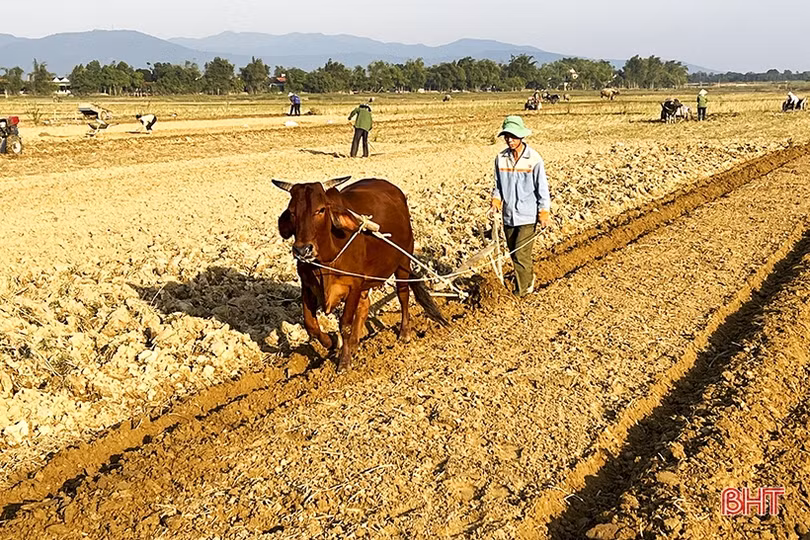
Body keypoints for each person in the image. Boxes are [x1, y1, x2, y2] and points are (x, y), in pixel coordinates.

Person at [489, 115, 551, 297]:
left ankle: (523, 291)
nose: (510, 140)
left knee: (521, 253)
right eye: (507, 136)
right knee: (513, 252)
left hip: (528, 216)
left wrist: (544, 214)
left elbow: (542, 189)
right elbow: (498, 186)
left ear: (521, 136)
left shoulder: (534, 159)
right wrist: (495, 203)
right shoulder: (501, 159)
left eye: (513, 136)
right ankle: (527, 278)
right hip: (509, 215)